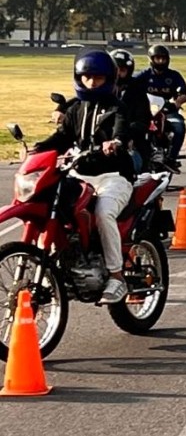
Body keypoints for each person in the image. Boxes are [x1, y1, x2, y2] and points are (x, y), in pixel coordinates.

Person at [35, 51, 134, 304]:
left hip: (114, 177)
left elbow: (121, 132)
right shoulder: (76, 108)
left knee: (103, 212)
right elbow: (62, 137)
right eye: (86, 77)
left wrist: (115, 142)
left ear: (109, 79)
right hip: (80, 176)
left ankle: (116, 275)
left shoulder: (117, 107)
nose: (91, 82)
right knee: (54, 210)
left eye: (98, 78)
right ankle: (60, 266)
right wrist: (37, 149)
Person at [135, 45, 186, 169]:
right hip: (146, 111)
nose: (160, 62)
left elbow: (184, 93)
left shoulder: (174, 76)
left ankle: (171, 158)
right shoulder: (144, 75)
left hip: (167, 111)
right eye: (157, 59)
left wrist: (177, 102)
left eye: (163, 59)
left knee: (180, 127)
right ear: (151, 60)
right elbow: (131, 87)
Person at [110, 49, 153, 173]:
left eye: (122, 70)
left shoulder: (136, 90)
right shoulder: (102, 88)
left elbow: (143, 118)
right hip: (102, 136)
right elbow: (81, 101)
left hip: (129, 137)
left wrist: (127, 136)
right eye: (115, 70)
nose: (118, 74)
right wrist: (62, 110)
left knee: (138, 160)